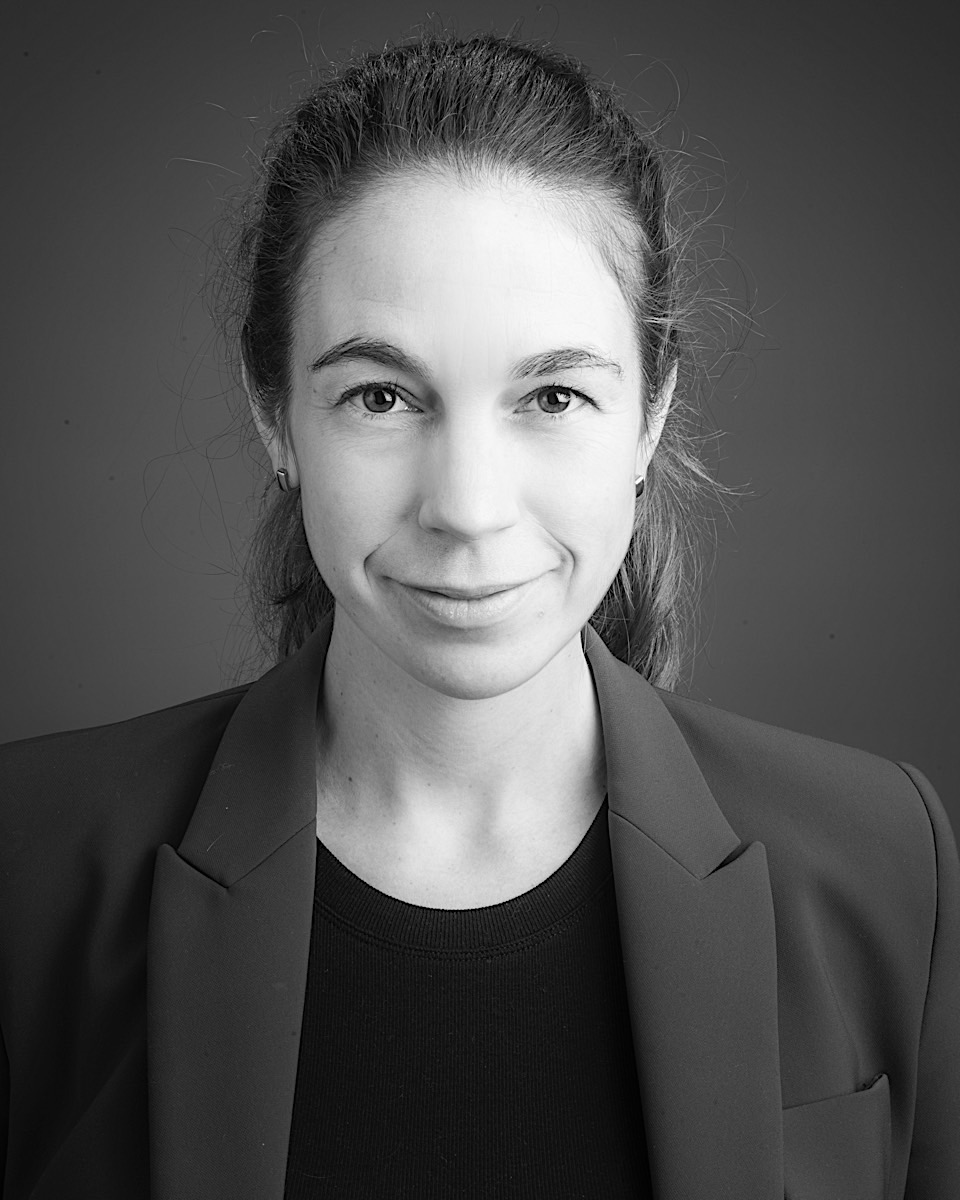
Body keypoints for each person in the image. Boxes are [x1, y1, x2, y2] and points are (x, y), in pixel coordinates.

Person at [0, 23, 957, 1200]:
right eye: (382, 396)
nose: (467, 507)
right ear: (274, 414)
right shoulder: (27, 863)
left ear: (651, 416)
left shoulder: (884, 863)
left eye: (552, 396)